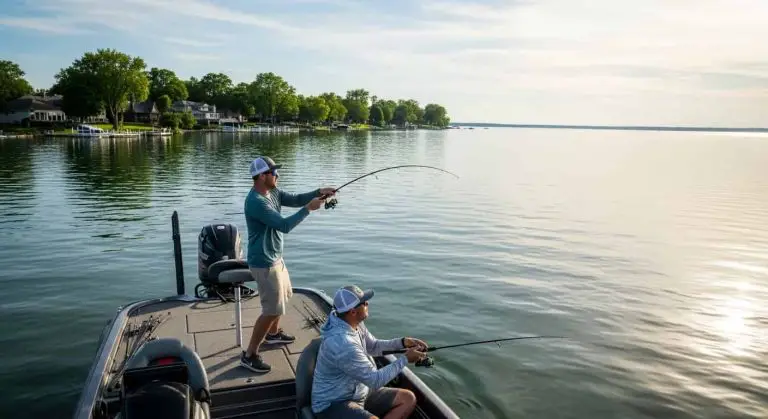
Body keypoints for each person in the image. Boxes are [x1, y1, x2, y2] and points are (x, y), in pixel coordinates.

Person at [240, 156, 336, 373]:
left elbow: (294, 199)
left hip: (275, 258)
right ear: (262, 176)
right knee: (271, 309)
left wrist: (319, 191)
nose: (277, 175)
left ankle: (273, 335)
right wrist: (309, 209)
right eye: (274, 172)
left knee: (284, 297)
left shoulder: (272, 191)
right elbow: (284, 225)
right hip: (264, 262)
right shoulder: (256, 202)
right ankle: (250, 354)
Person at [311, 285, 428, 419]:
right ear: (353, 311)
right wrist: (405, 359)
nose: (367, 303)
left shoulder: (354, 323)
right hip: (333, 403)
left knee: (407, 399)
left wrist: (402, 342)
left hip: (359, 392)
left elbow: (373, 346)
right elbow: (375, 380)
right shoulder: (343, 344)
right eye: (363, 303)